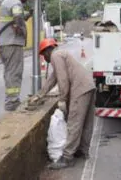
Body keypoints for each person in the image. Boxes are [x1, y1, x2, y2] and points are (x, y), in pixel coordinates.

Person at [29, 38, 96, 169]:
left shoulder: (55, 56)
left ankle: (67, 157)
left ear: (47, 51)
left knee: (74, 122)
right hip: (89, 85)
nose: (44, 59)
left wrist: (62, 100)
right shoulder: (61, 54)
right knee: (86, 122)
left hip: (80, 88)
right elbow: (53, 79)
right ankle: (82, 150)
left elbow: (63, 80)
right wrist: (40, 94)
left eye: (43, 55)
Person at [0, 0, 34, 111]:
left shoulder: (8, 1)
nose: (26, 0)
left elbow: (16, 16)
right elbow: (17, 15)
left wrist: (28, 14)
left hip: (5, 43)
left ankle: (10, 100)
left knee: (9, 72)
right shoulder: (16, 3)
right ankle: (12, 102)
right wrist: (20, 28)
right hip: (12, 43)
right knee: (14, 73)